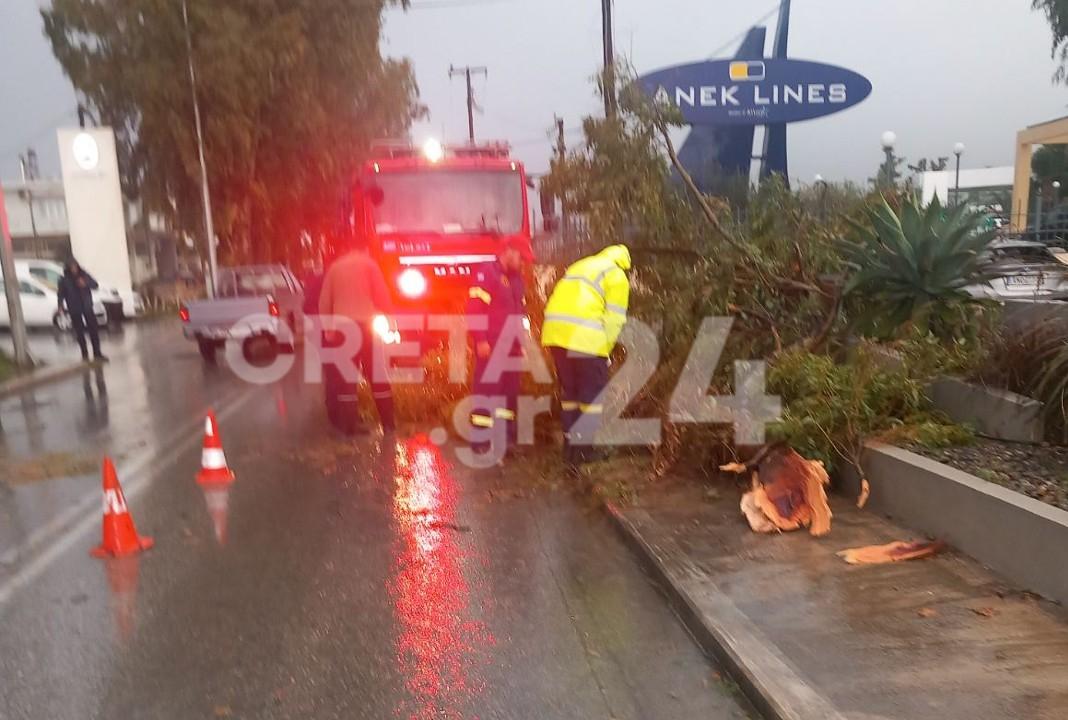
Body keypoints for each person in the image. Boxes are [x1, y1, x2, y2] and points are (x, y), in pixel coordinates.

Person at [541, 244, 631, 466]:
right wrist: (605, 350)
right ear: (625, 265)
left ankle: (570, 447)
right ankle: (584, 451)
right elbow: (614, 320)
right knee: (591, 396)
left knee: (570, 393)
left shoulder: (581, 265)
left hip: (555, 334)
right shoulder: (617, 275)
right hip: (585, 338)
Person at [318, 232, 395, 434]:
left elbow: (324, 301)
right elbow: (383, 296)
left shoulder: (335, 268)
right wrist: (391, 320)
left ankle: (349, 427)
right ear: (364, 248)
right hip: (366, 325)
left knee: (346, 378)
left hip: (342, 327)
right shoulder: (369, 265)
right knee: (377, 374)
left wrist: (328, 330)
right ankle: (388, 423)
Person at [465, 237, 533, 450]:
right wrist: (480, 340)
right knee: (486, 392)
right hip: (491, 345)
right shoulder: (487, 274)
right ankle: (480, 440)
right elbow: (474, 310)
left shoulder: (517, 280)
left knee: (509, 396)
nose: (523, 262)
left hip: (511, 347)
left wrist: (522, 343)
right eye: (521, 257)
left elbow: (519, 313)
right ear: (509, 252)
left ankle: (505, 439)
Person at [57, 258, 107, 363]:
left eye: (75, 266)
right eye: (71, 267)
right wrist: (60, 305)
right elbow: (60, 293)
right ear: (68, 268)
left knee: (93, 329)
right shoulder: (64, 279)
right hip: (74, 307)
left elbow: (95, 284)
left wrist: (86, 283)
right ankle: (85, 354)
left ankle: (97, 353)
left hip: (87, 306)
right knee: (79, 332)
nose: (74, 269)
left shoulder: (84, 275)